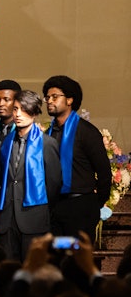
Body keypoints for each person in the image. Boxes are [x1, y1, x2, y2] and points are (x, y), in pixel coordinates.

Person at [0, 91, 62, 261]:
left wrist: (41, 210)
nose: (18, 114)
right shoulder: (5, 143)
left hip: (34, 219)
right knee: (7, 272)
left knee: (32, 273)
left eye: (24, 109)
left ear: (34, 113)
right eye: (15, 109)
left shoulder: (47, 143)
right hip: (6, 219)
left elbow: (54, 183)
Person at [43, 75, 112, 242]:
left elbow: (104, 172)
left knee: (76, 261)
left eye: (54, 97)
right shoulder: (48, 134)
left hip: (80, 206)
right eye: (47, 97)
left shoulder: (86, 132)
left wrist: (96, 204)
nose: (49, 101)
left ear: (69, 100)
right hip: (54, 206)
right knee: (56, 259)